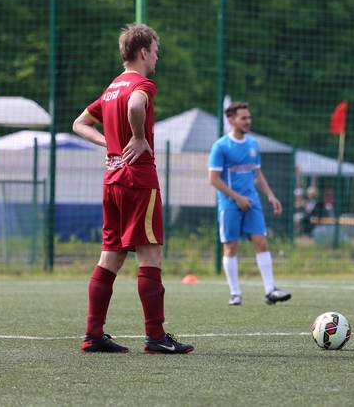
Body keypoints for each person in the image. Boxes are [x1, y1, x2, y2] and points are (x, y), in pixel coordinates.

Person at [72, 23, 194, 355]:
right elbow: (135, 107)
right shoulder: (142, 84)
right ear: (143, 52)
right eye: (155, 50)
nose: (157, 56)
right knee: (150, 255)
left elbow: (79, 123)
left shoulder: (111, 88)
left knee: (110, 256)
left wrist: (110, 143)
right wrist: (138, 138)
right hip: (138, 180)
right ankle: (155, 336)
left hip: (112, 181)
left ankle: (93, 334)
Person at [208, 101, 292, 306]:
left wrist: (271, 195)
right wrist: (237, 198)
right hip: (230, 204)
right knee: (231, 246)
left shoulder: (253, 144)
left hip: (252, 202)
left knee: (261, 242)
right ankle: (235, 293)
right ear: (231, 120)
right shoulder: (221, 146)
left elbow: (257, 174)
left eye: (249, 117)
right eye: (243, 118)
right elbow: (213, 179)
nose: (248, 121)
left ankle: (270, 290)